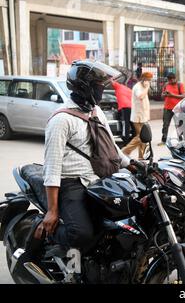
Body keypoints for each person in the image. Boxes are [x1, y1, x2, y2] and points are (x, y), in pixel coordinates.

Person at [40, 60, 131, 254]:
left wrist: (136, 166)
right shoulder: (61, 120)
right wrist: (52, 210)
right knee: (81, 234)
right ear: (85, 87)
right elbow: (52, 166)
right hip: (71, 183)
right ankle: (47, 236)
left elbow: (113, 148)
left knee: (120, 223)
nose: (102, 90)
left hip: (97, 180)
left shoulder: (96, 112)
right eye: (98, 86)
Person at [122, 72, 153, 159]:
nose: (148, 82)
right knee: (141, 137)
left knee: (143, 138)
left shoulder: (142, 86)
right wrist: (147, 88)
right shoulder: (138, 87)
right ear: (143, 79)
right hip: (138, 117)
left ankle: (141, 156)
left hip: (143, 116)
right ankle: (125, 151)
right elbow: (140, 96)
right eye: (148, 80)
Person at [159, 72, 185, 146]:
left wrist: (172, 95)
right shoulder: (166, 85)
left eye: (171, 80)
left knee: (178, 125)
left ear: (174, 78)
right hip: (167, 108)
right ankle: (163, 140)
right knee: (165, 125)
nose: (170, 81)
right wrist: (164, 94)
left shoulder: (179, 85)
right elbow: (162, 96)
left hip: (177, 108)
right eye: (169, 80)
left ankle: (181, 140)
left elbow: (183, 96)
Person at [111, 79, 133, 145]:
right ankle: (134, 137)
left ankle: (126, 140)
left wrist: (109, 76)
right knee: (131, 123)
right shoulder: (128, 89)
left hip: (125, 107)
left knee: (125, 123)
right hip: (131, 107)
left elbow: (111, 81)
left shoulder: (118, 86)